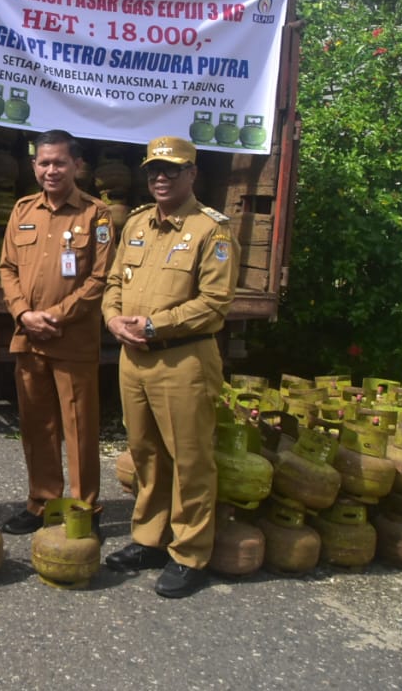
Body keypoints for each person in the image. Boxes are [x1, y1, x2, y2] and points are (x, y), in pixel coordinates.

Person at [102, 135, 239, 599]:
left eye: (171, 170)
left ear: (191, 174)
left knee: (189, 458)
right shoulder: (137, 223)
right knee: (145, 453)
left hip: (184, 361)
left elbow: (215, 304)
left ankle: (190, 552)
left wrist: (156, 325)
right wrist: (113, 319)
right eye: (153, 170)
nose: (160, 177)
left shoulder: (211, 230)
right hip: (133, 359)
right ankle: (149, 538)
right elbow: (113, 282)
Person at [0, 130, 113, 535]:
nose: (51, 170)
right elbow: (7, 268)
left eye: (59, 162)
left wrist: (56, 317)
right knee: (36, 425)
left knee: (79, 428)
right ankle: (42, 502)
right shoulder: (22, 210)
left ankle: (84, 510)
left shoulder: (96, 215)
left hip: (72, 342)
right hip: (28, 337)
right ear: (34, 166)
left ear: (76, 166)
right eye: (43, 163)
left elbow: (100, 278)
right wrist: (23, 313)